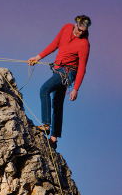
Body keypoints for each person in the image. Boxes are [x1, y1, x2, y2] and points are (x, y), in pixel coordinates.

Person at [29, 15, 91, 148]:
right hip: (57, 68)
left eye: (84, 31)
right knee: (57, 103)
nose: (81, 33)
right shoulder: (66, 28)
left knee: (44, 89)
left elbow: (82, 67)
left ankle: (46, 125)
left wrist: (76, 89)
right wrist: (38, 57)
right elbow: (54, 44)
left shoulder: (84, 44)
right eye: (79, 29)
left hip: (68, 72)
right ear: (75, 25)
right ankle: (54, 138)